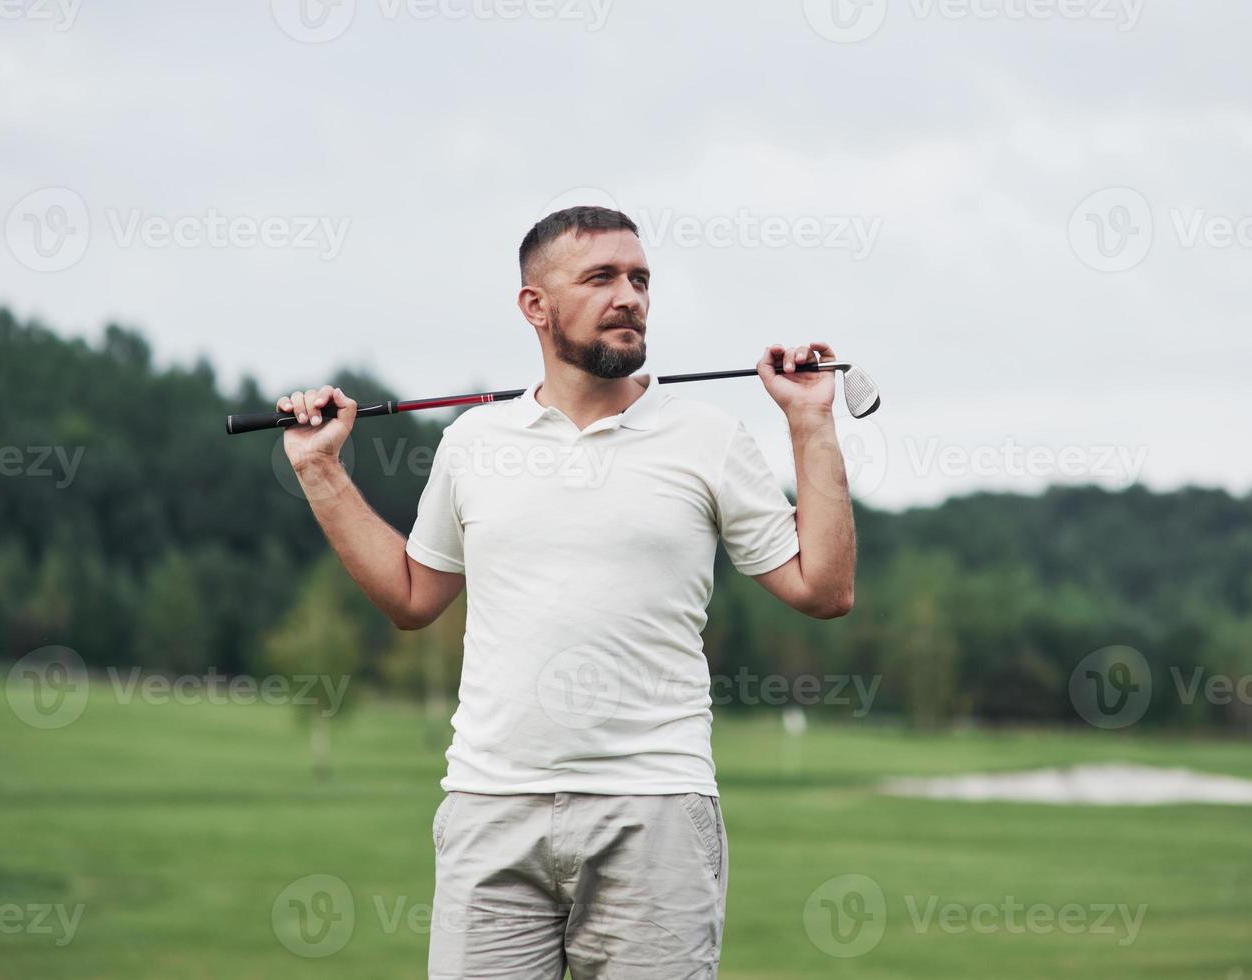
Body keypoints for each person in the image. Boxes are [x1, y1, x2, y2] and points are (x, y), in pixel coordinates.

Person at [276, 206, 856, 978]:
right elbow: (413, 597)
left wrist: (812, 423)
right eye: (601, 278)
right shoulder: (473, 444)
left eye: (640, 279)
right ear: (535, 306)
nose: (630, 297)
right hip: (491, 804)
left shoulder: (708, 436)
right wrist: (320, 471)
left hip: (655, 812)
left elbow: (825, 587)